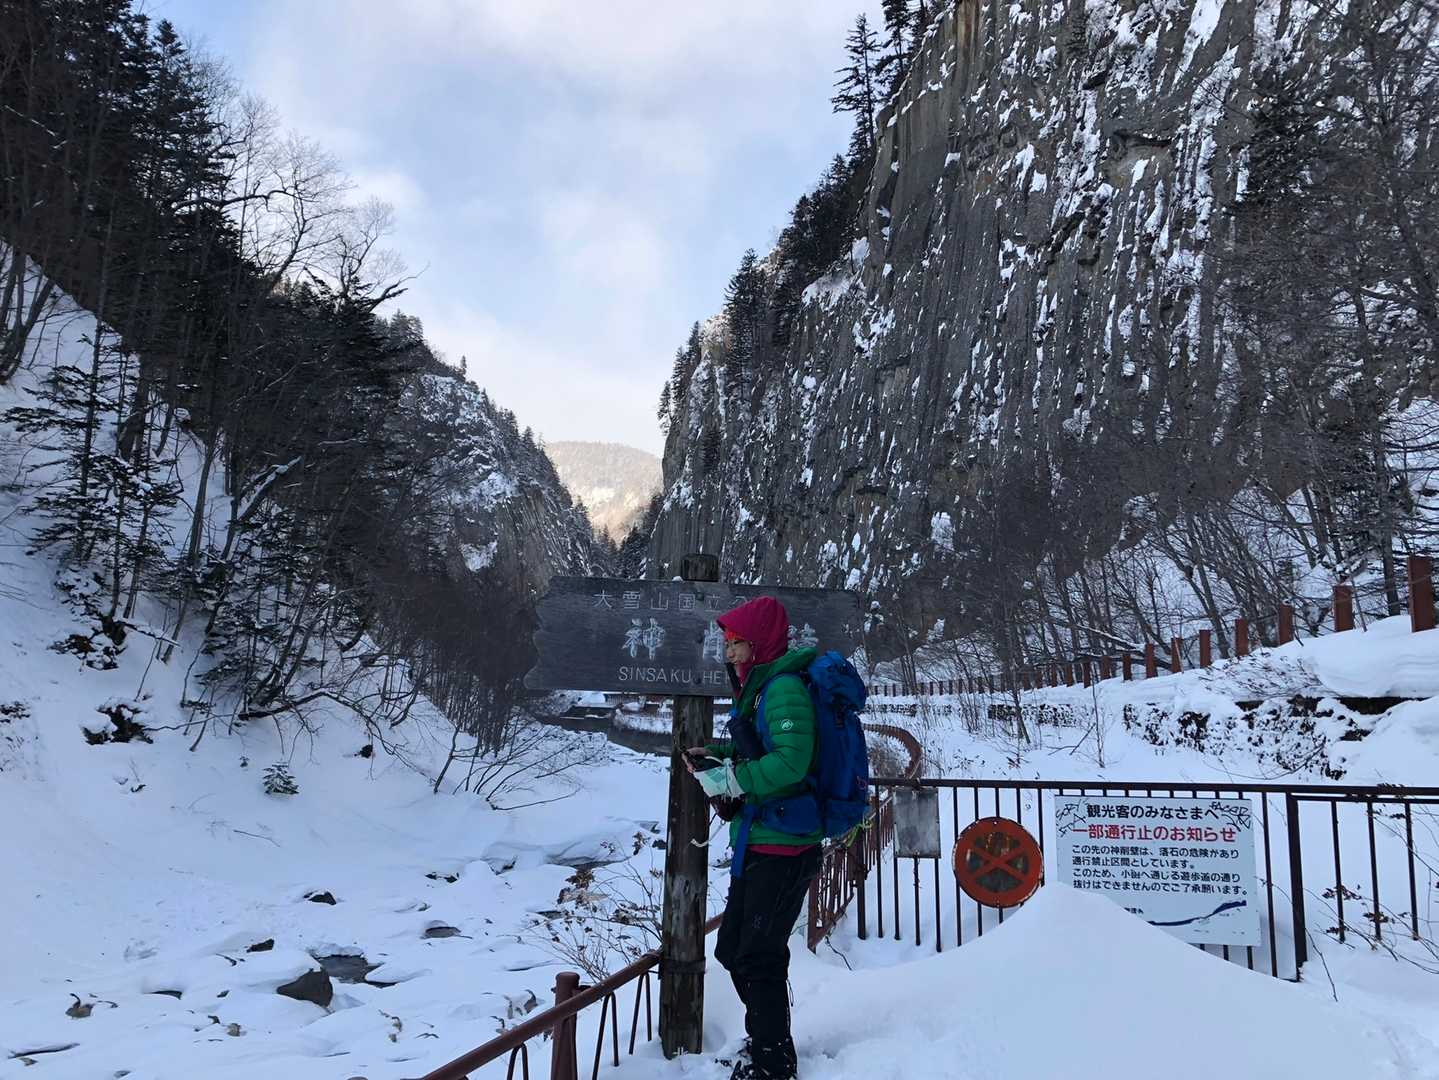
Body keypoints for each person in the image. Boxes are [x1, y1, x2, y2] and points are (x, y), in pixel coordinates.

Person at [684, 595, 822, 1080]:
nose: (728, 650)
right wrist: (718, 753)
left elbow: (791, 762)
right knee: (732, 950)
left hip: (784, 846)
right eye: (726, 642)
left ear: (759, 642)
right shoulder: (760, 688)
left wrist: (733, 780)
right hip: (759, 839)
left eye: (736, 642)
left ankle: (773, 1062)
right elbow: (762, 749)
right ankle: (766, 1037)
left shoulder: (783, 688)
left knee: (757, 955)